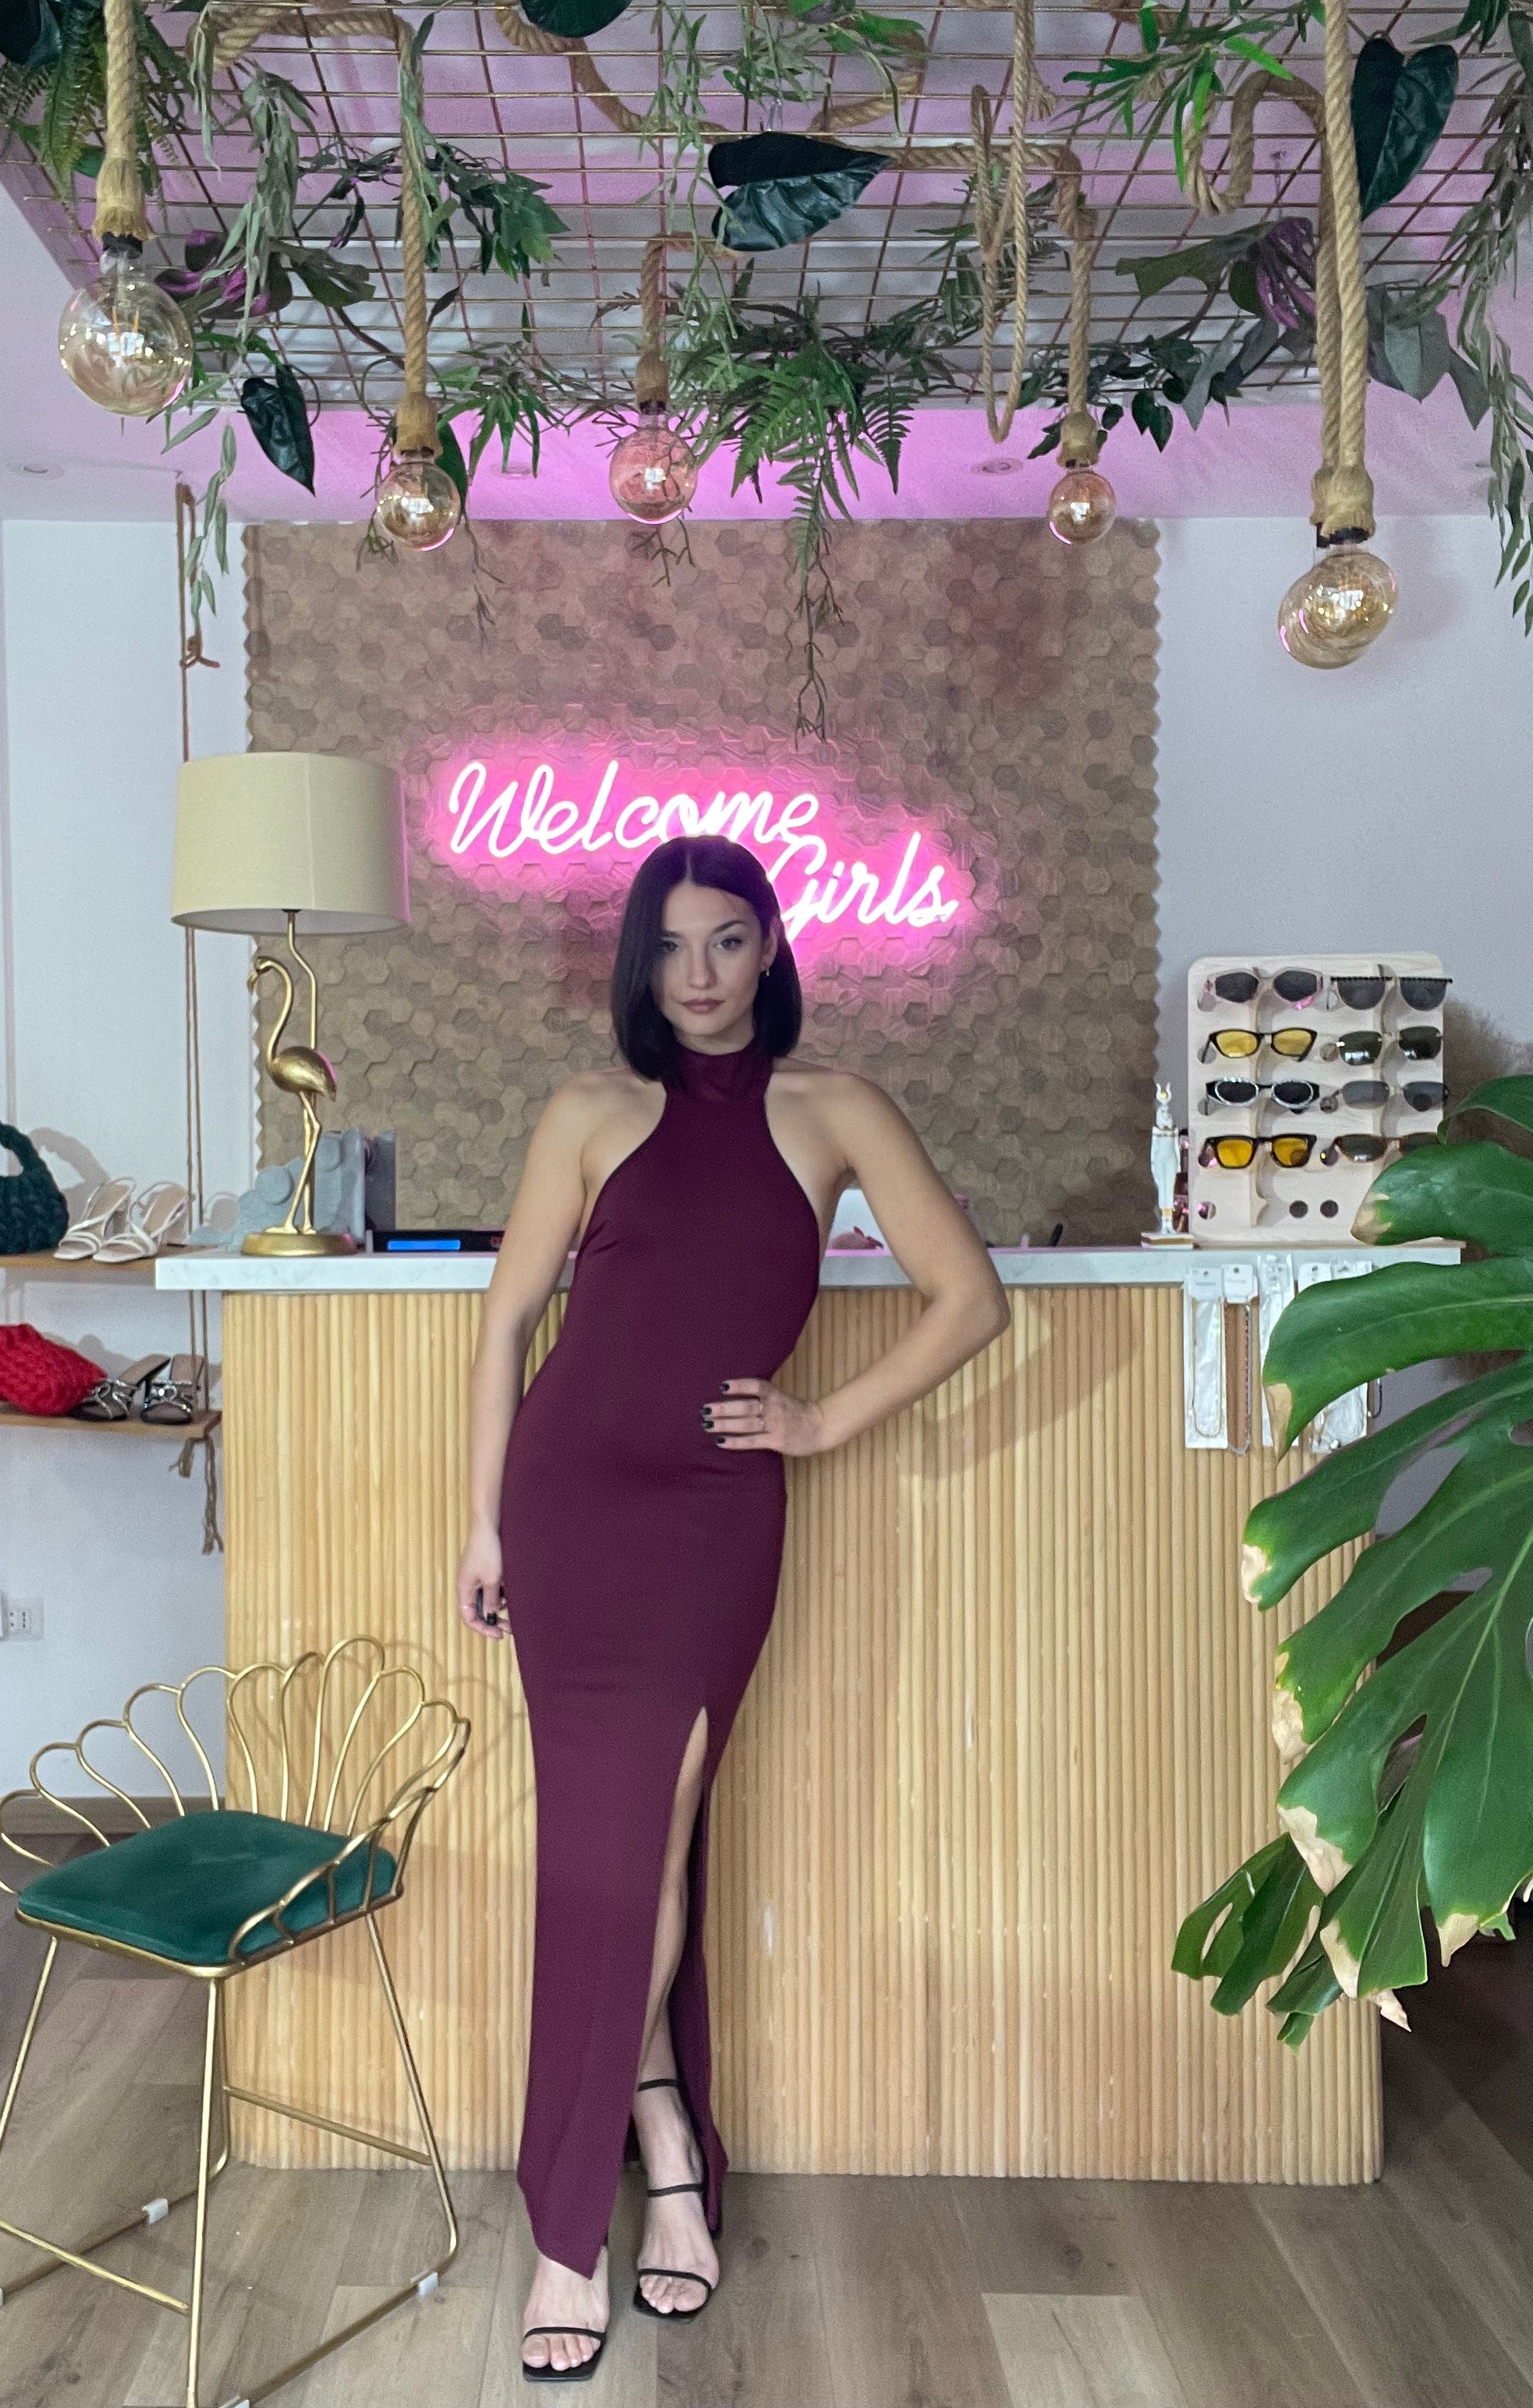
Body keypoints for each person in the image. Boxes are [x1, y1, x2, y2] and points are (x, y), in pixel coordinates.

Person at [456, 834, 1009, 2382]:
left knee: (643, 1844)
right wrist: (482, 1521)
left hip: (709, 1527)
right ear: (638, 962)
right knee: (608, 1854)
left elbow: (972, 1297)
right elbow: (508, 1324)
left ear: (770, 945)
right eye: (668, 945)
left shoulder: (838, 1109)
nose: (695, 973)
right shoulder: (589, 1111)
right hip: (568, 1508)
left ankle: (573, 2217)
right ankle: (659, 2157)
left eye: (724, 939)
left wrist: (822, 1423)